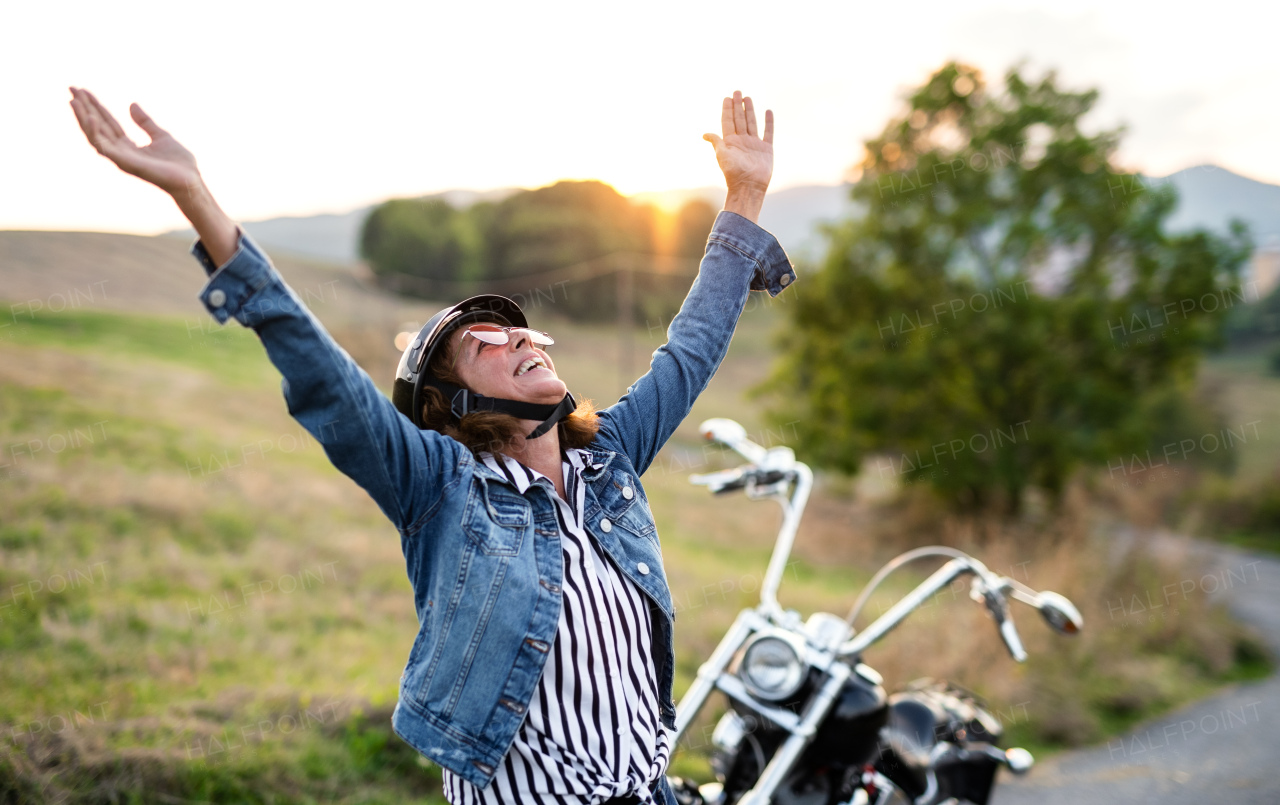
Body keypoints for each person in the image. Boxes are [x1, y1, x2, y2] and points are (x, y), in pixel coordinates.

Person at [70, 87, 795, 804]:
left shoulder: (607, 459)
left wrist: (746, 194)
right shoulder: (442, 487)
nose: (516, 337)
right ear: (451, 406)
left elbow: (691, 347)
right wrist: (196, 194)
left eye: (522, 331)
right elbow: (323, 374)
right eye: (484, 341)